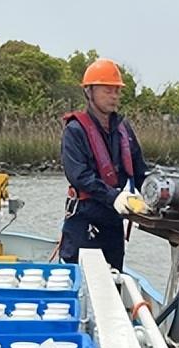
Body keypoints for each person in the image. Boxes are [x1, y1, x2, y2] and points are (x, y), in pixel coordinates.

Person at [60, 58, 149, 270]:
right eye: (107, 90)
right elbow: (79, 176)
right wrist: (114, 196)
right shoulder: (75, 131)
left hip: (113, 220)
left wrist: (155, 196)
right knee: (83, 280)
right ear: (89, 92)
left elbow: (139, 172)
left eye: (117, 90)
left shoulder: (123, 129)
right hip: (84, 217)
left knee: (114, 277)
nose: (114, 96)